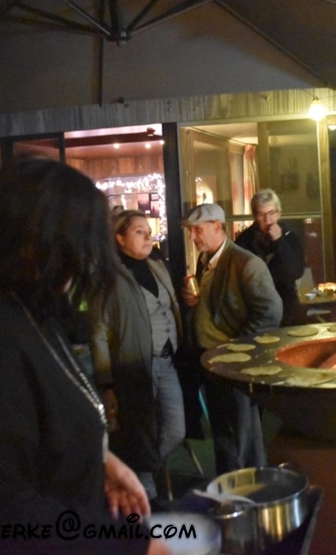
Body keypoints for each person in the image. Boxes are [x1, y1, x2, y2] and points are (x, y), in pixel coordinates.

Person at [0, 157, 169, 554]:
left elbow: (39, 418)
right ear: (39, 241)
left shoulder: (18, 295)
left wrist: (98, 460)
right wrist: (131, 547)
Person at [91, 209, 186, 511]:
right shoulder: (108, 277)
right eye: (139, 232)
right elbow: (98, 332)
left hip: (167, 361)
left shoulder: (157, 266)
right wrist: (106, 382)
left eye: (149, 231)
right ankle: (145, 496)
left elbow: (169, 306)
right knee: (141, 431)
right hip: (134, 366)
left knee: (176, 429)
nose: (148, 237)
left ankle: (136, 470)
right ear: (119, 239)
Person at [180, 203, 282, 474]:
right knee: (226, 434)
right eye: (190, 231)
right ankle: (235, 485)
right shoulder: (207, 260)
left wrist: (236, 348)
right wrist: (197, 303)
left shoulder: (246, 263)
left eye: (197, 230)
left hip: (232, 365)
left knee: (240, 436)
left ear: (217, 226)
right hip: (213, 362)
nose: (192, 237)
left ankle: (247, 487)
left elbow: (270, 313)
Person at [235, 189, 305, 326]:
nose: (268, 220)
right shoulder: (244, 241)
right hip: (255, 308)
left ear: (279, 213)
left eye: (271, 213)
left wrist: (279, 241)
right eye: (262, 214)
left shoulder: (290, 236)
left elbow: (296, 272)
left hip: (287, 307)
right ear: (255, 216)